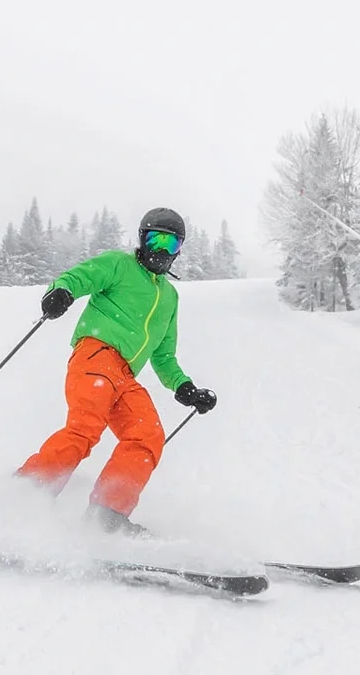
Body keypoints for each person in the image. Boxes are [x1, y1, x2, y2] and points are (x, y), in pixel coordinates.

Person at [15, 207, 217, 537]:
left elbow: (164, 356)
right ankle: (24, 497)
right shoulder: (120, 265)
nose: (162, 251)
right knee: (85, 428)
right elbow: (79, 277)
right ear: (142, 239)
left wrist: (185, 387)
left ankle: (106, 515)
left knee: (147, 435)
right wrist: (62, 291)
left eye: (172, 244)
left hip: (124, 377)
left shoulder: (169, 297)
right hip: (95, 356)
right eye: (156, 239)